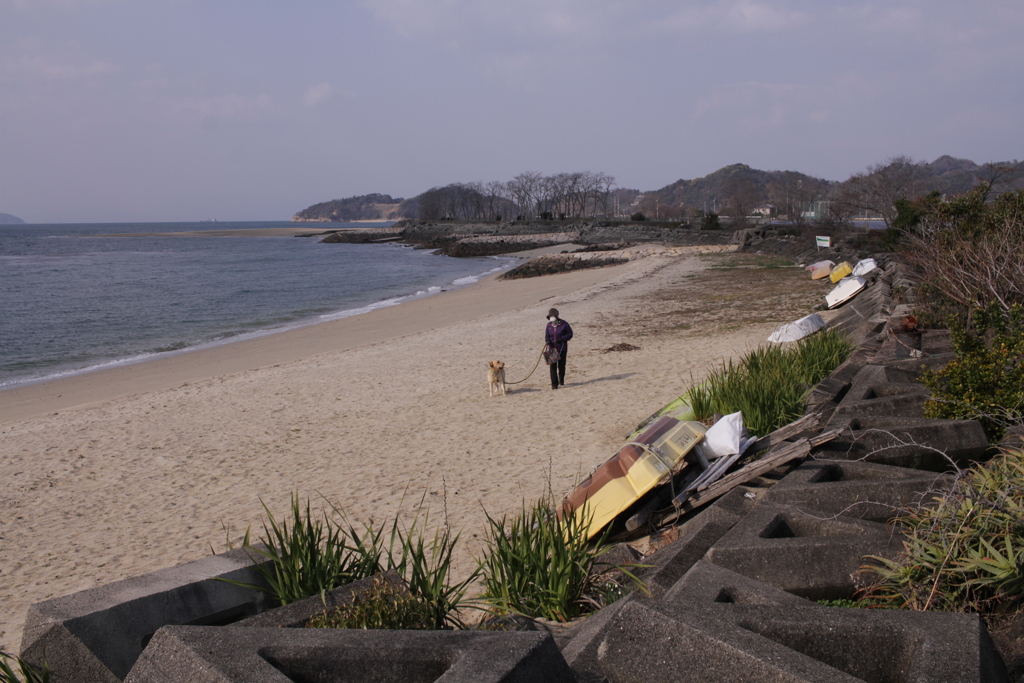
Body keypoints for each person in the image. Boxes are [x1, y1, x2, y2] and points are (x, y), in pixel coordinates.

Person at [544, 308, 573, 389]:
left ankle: (561, 380)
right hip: (552, 348)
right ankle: (554, 384)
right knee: (552, 366)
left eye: (552, 316)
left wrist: (563, 338)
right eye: (550, 316)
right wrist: (547, 341)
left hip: (562, 348)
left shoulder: (564, 324)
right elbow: (547, 335)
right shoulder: (549, 325)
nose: (551, 317)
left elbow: (570, 334)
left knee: (561, 365)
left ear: (556, 316)